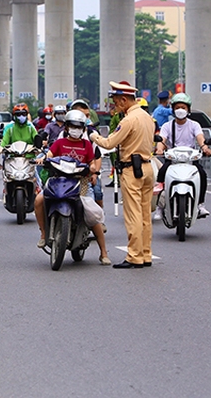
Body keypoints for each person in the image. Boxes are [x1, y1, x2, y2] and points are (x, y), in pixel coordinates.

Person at [90, 81, 155, 269]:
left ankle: (134, 256)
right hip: (147, 167)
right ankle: (146, 254)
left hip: (132, 170)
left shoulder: (128, 120)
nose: (114, 106)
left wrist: (93, 135)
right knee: (144, 216)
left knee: (133, 215)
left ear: (125, 99)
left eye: (116, 102)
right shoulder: (147, 117)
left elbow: (109, 143)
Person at [34, 110, 111, 265]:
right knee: (38, 200)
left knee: (92, 215)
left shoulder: (87, 145)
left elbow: (92, 162)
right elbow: (50, 154)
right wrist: (43, 159)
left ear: (83, 129)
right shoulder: (59, 143)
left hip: (80, 182)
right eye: (73, 126)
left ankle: (103, 252)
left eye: (79, 127)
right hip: (58, 180)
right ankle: (43, 234)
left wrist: (93, 169)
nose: (76, 129)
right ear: (67, 127)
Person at [154, 93, 211, 220]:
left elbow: (200, 138)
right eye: (177, 107)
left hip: (190, 160)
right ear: (173, 109)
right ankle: (160, 206)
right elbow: (161, 140)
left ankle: (200, 204)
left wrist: (205, 147)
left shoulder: (194, 125)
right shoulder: (167, 126)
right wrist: (159, 148)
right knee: (162, 173)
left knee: (202, 174)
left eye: (183, 107)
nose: (180, 110)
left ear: (188, 109)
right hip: (172, 159)